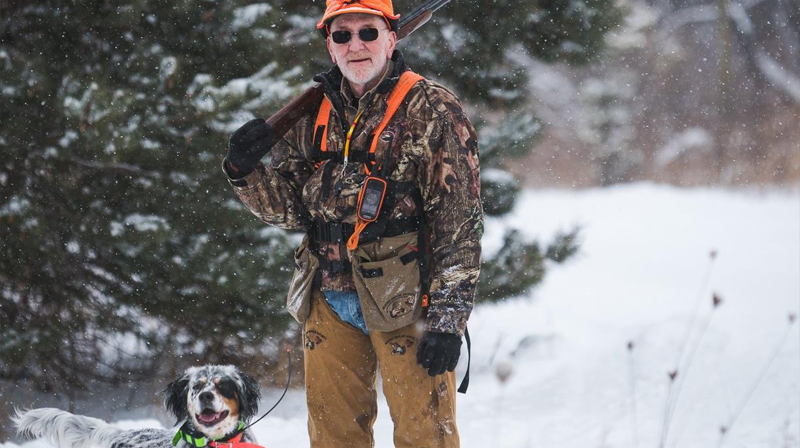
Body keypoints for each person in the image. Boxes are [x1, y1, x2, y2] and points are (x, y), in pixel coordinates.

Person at [222, 0, 482, 446]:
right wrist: (244, 172)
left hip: (406, 299)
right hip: (327, 295)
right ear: (330, 45)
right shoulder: (313, 111)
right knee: (333, 437)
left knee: (425, 436)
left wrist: (447, 320)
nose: (355, 45)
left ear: (391, 39)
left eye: (368, 32)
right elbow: (290, 210)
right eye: (342, 34)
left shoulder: (432, 107)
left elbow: (459, 223)